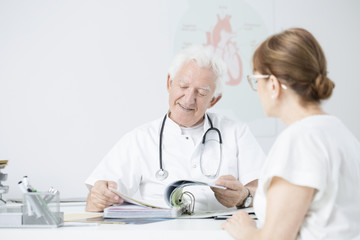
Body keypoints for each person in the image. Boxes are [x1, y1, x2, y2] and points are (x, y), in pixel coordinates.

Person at [85, 46, 266, 212]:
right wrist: (98, 199)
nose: (188, 99)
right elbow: (94, 202)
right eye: (183, 86)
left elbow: (266, 192)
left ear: (214, 100)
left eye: (201, 93)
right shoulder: (138, 139)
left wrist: (244, 196)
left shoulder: (236, 133)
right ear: (169, 83)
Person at [222, 28, 360, 239]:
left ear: (274, 85)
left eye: (256, 80)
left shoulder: (300, 140)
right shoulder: (340, 132)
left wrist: (245, 229)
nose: (257, 89)